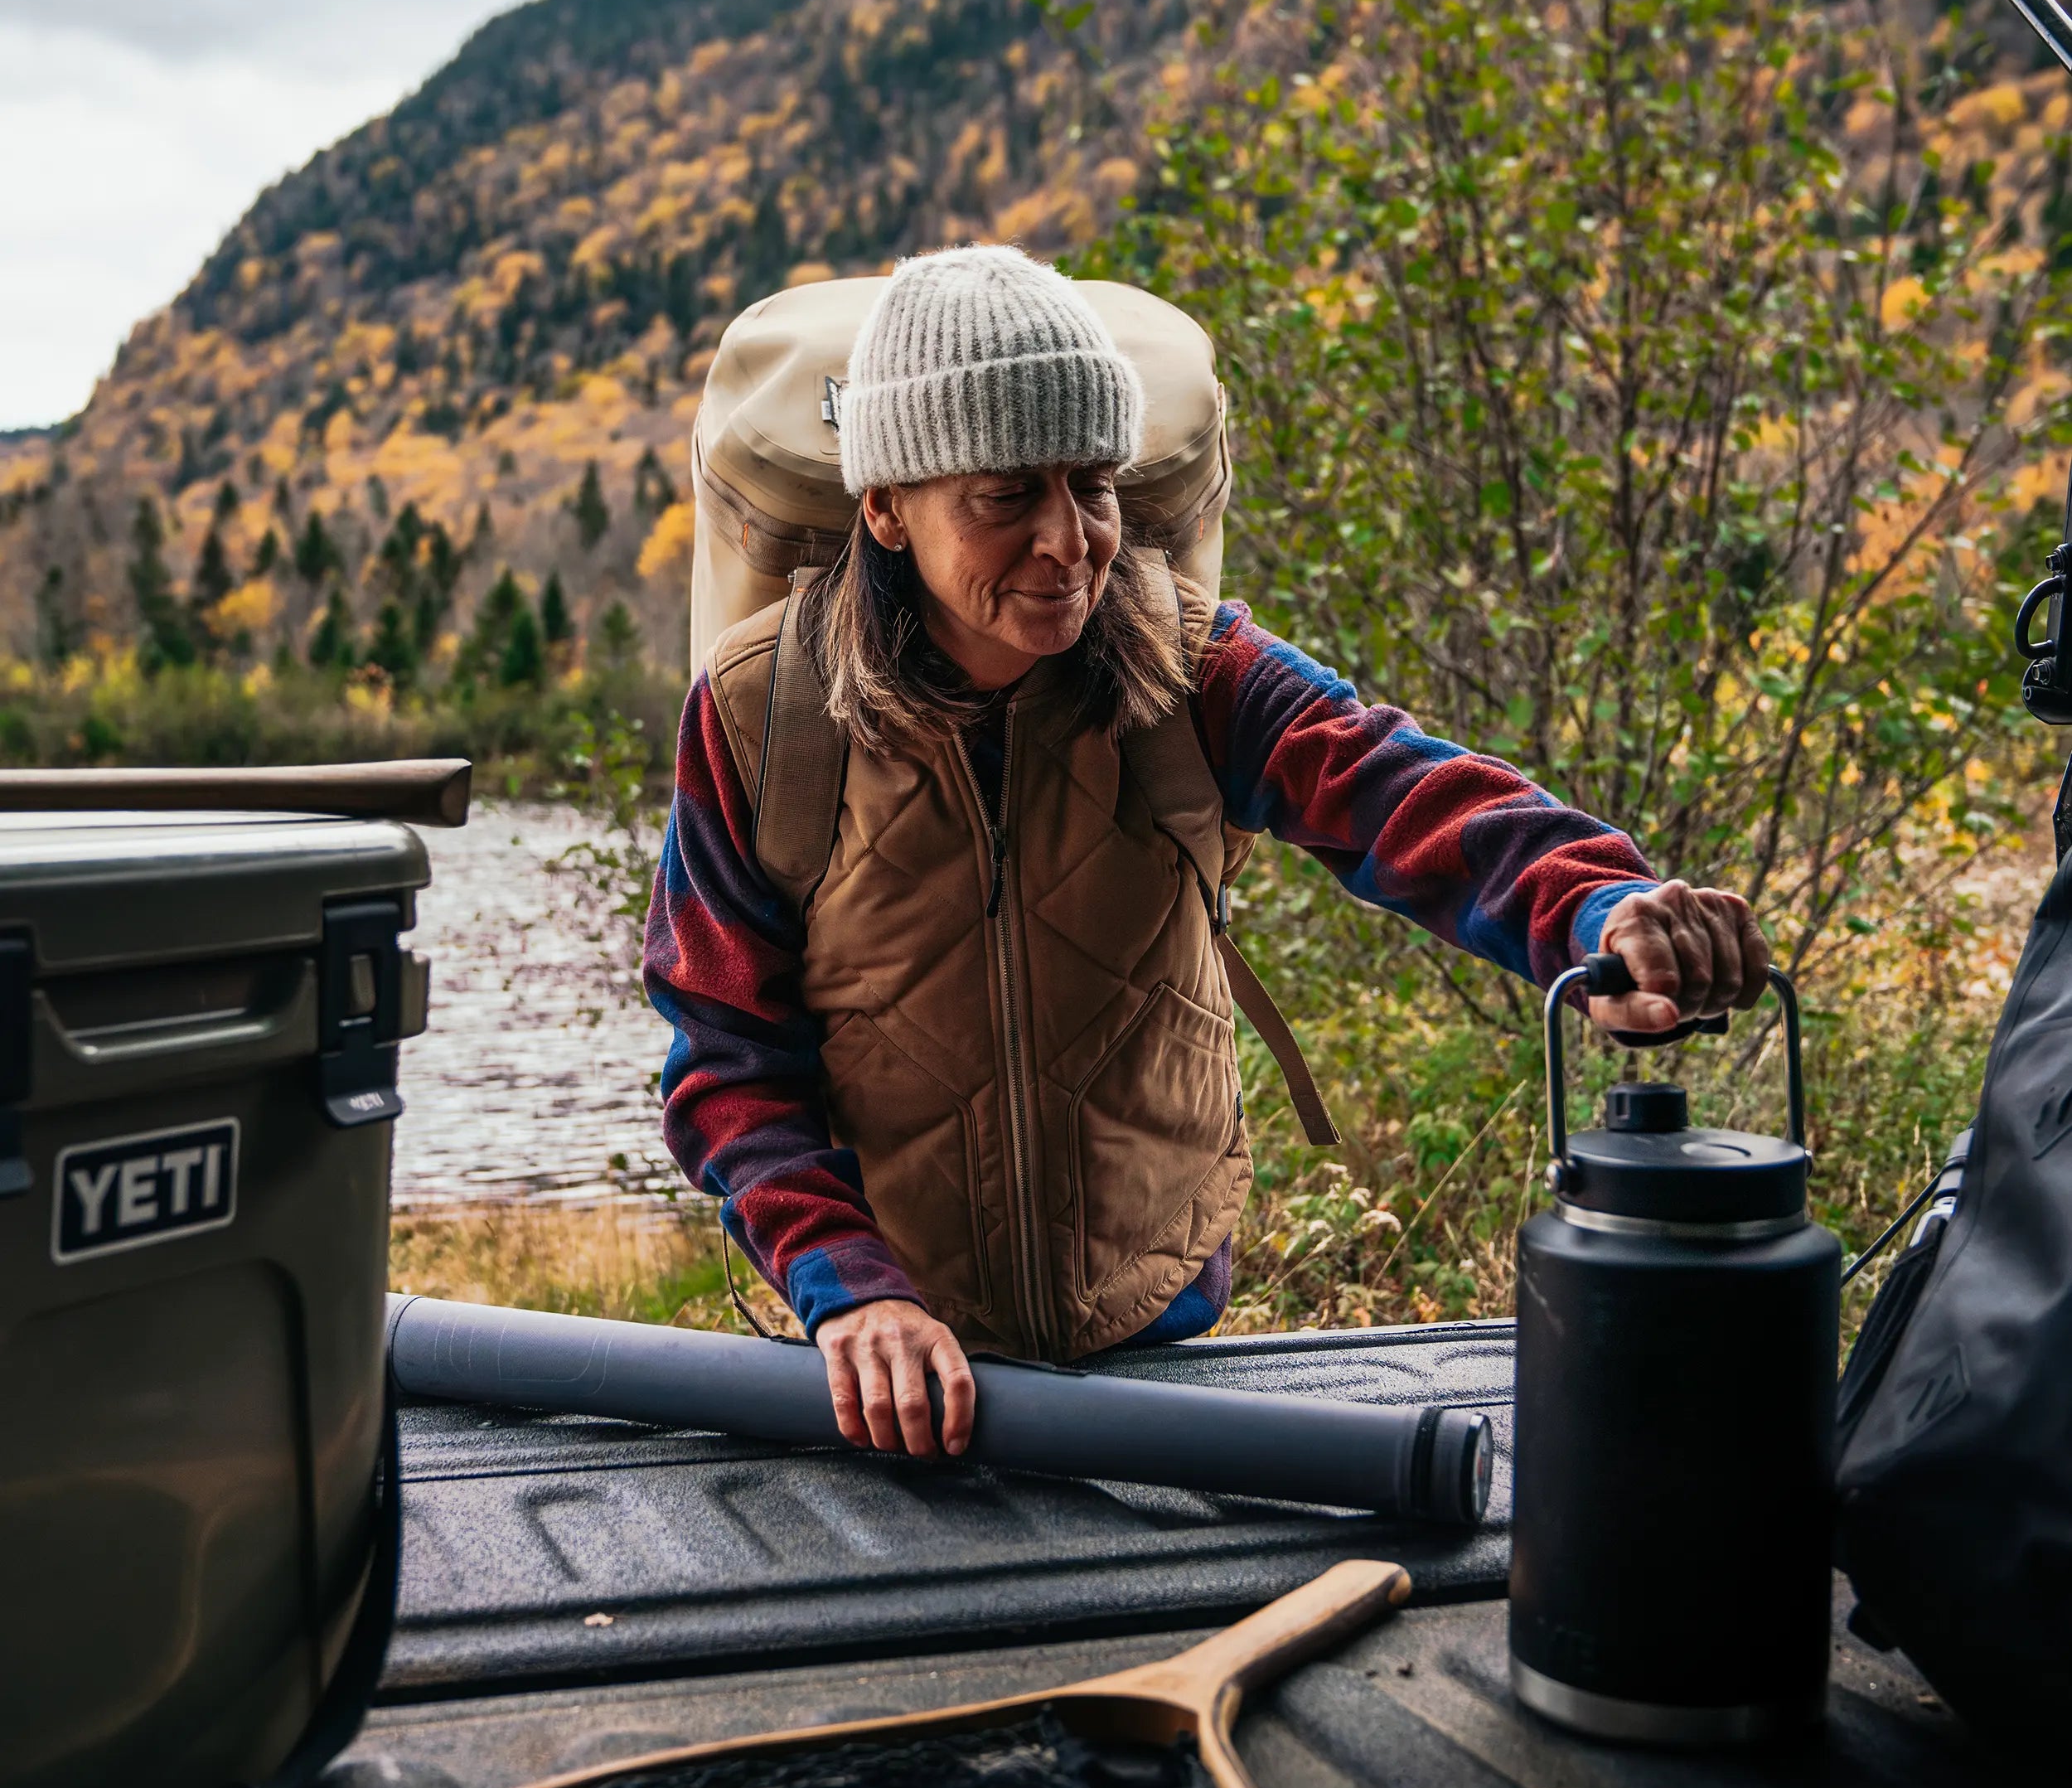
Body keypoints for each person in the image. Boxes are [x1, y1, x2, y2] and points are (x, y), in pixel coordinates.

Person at [643, 244, 1769, 1463]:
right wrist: (849, 1285)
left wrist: (1601, 904)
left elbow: (1404, 792)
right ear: (885, 506)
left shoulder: (1191, 667)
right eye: (1005, 495)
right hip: (884, 1357)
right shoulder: (766, 714)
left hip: (1158, 1323)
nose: (1069, 542)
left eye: (1094, 485)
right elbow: (726, 1058)